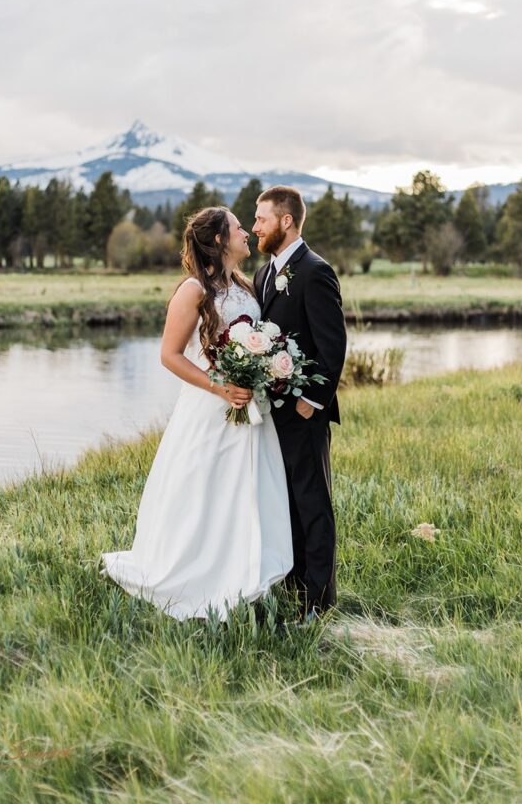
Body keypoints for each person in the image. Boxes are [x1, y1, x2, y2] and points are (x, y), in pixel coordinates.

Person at [99, 206, 293, 621]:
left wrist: (256, 370)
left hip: (248, 404)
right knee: (205, 490)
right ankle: (195, 575)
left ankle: (246, 574)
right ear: (221, 240)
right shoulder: (193, 290)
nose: (247, 233)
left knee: (247, 490)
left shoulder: (243, 285)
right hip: (211, 407)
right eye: (240, 228)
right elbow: (169, 355)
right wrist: (220, 387)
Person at [252, 186, 347, 621]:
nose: (255, 227)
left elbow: (333, 348)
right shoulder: (263, 275)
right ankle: (293, 586)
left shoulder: (315, 272)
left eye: (261, 219)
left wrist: (311, 402)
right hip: (271, 413)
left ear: (285, 221)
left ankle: (319, 601)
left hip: (304, 412)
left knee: (312, 503)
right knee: (283, 501)